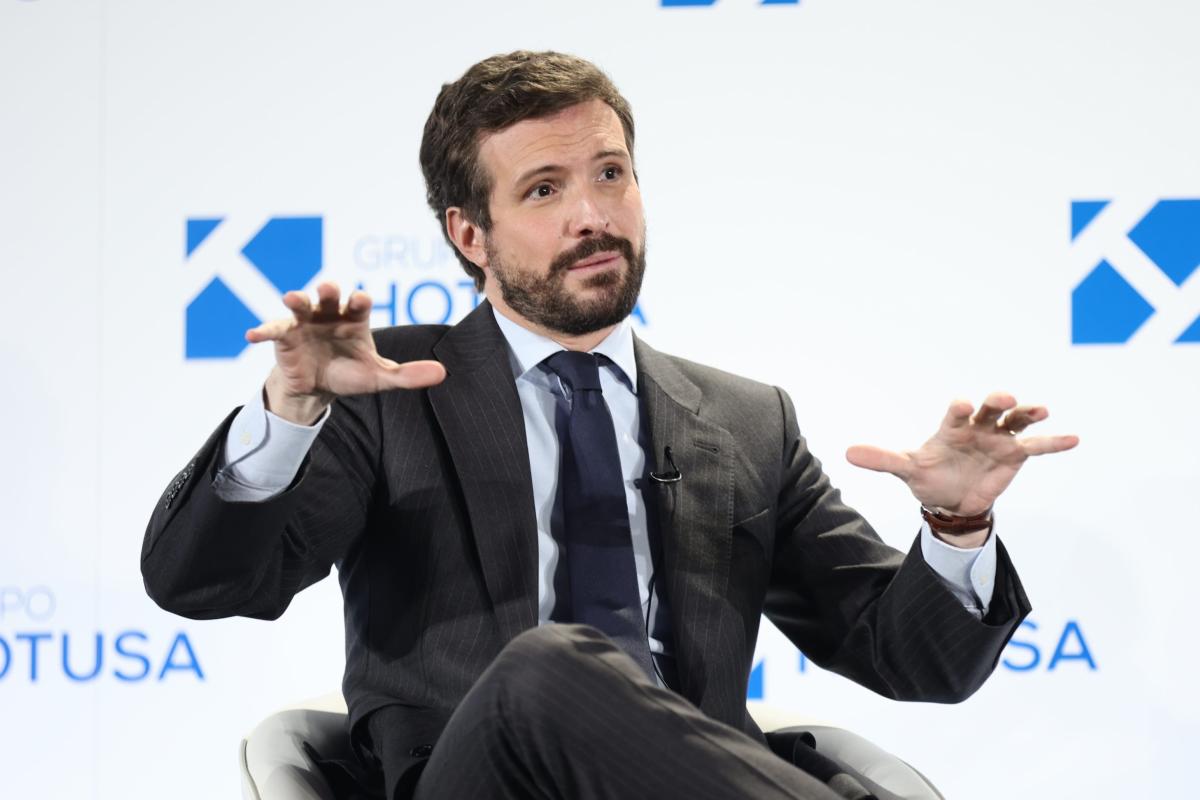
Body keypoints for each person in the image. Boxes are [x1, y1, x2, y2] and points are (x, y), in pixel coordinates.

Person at [142, 51, 1077, 800]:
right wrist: (291, 415)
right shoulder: (387, 390)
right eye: (544, 190)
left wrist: (957, 525)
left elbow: (912, 660)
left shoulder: (747, 421)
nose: (593, 216)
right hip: (482, 780)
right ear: (470, 234)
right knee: (550, 666)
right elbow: (204, 583)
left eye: (611, 174)